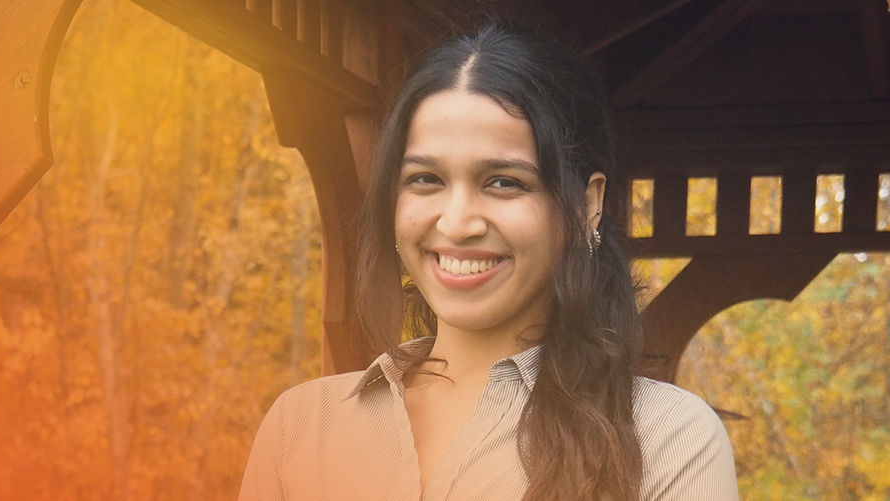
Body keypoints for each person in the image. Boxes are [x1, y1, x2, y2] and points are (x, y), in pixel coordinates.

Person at [238, 21, 739, 501]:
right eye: (425, 179)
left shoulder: (667, 440)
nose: (456, 223)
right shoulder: (301, 427)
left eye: (503, 182)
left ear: (587, 206)